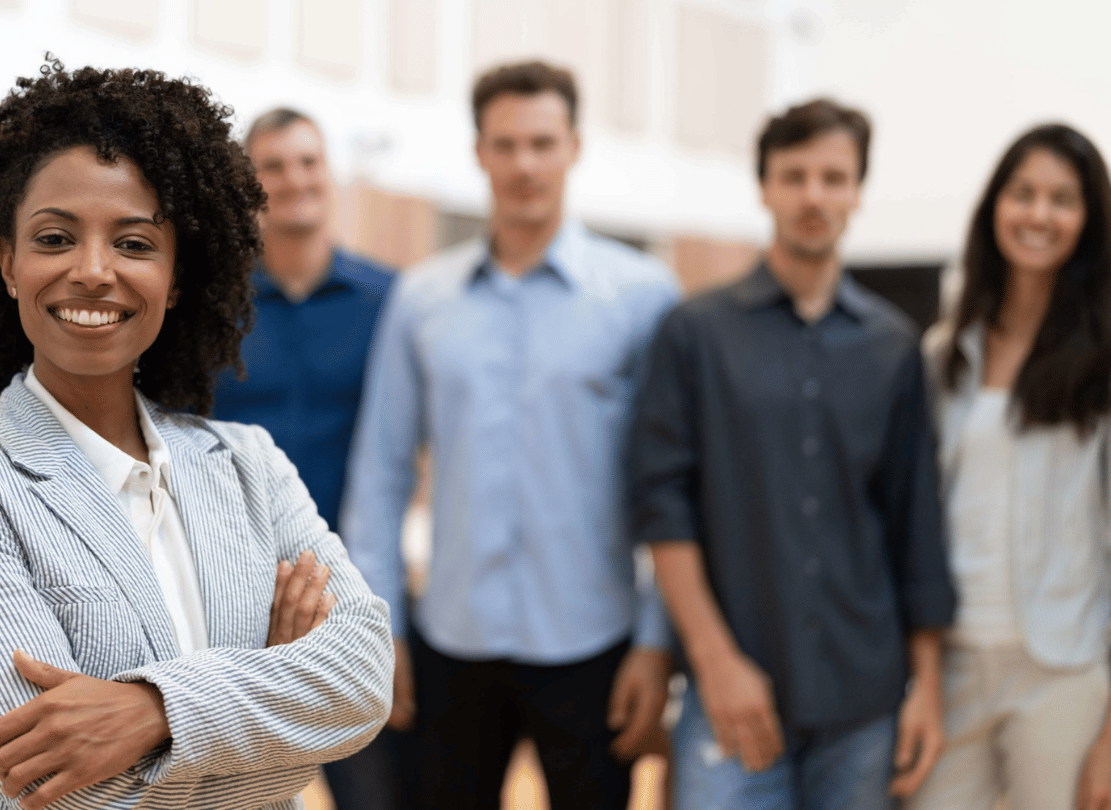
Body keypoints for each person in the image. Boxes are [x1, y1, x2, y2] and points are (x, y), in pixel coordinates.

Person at [0, 60, 394, 810]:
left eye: (133, 243)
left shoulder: (250, 464)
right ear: (7, 263)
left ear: (177, 275)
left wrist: (152, 712)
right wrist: (286, 724)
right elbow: (60, 790)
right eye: (56, 238)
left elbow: (364, 675)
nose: (94, 272)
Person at [342, 59, 679, 809]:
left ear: (575, 146)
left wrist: (657, 643)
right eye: (506, 144)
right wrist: (379, 628)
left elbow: (673, 489)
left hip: (594, 643)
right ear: (480, 153)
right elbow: (382, 473)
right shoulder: (421, 299)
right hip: (450, 643)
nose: (525, 163)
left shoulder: (643, 298)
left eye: (542, 142)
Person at [629, 97, 956, 810]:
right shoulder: (694, 334)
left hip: (864, 704)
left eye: (834, 178)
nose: (815, 195)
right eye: (795, 175)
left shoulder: (895, 348)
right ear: (765, 186)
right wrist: (716, 666)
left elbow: (916, 528)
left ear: (858, 191)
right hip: (732, 691)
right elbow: (662, 509)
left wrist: (926, 689)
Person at [909, 123, 1111, 810]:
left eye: (1062, 199)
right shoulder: (943, 355)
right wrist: (922, 671)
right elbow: (918, 518)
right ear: (994, 205)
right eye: (1022, 193)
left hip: (1063, 669)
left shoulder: (1103, 364)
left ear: (1088, 220)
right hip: (953, 661)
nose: (1039, 214)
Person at [213, 108, 403, 809]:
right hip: (236, 599)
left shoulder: (388, 300)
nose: (294, 179)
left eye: (308, 162)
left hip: (353, 592)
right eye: (274, 166)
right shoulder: (214, 306)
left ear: (329, 173)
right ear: (249, 184)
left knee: (373, 793)